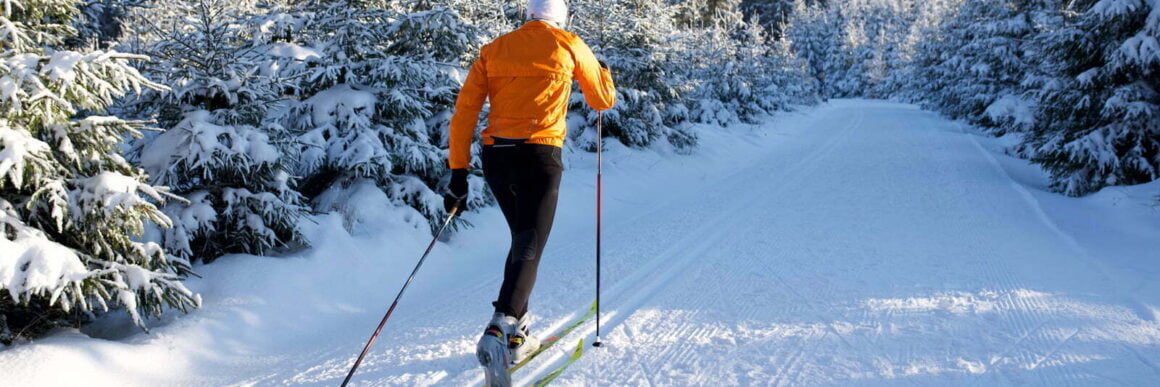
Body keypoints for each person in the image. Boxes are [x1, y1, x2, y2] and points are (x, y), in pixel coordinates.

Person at [442, 0, 616, 381]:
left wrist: (458, 174)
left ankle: (517, 334)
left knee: (524, 239)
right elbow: (602, 100)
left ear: (528, 14)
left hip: (497, 159)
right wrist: (603, 72)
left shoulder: (494, 50)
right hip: (539, 156)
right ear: (561, 17)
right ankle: (499, 327)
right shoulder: (570, 44)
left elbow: (464, 114)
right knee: (529, 245)